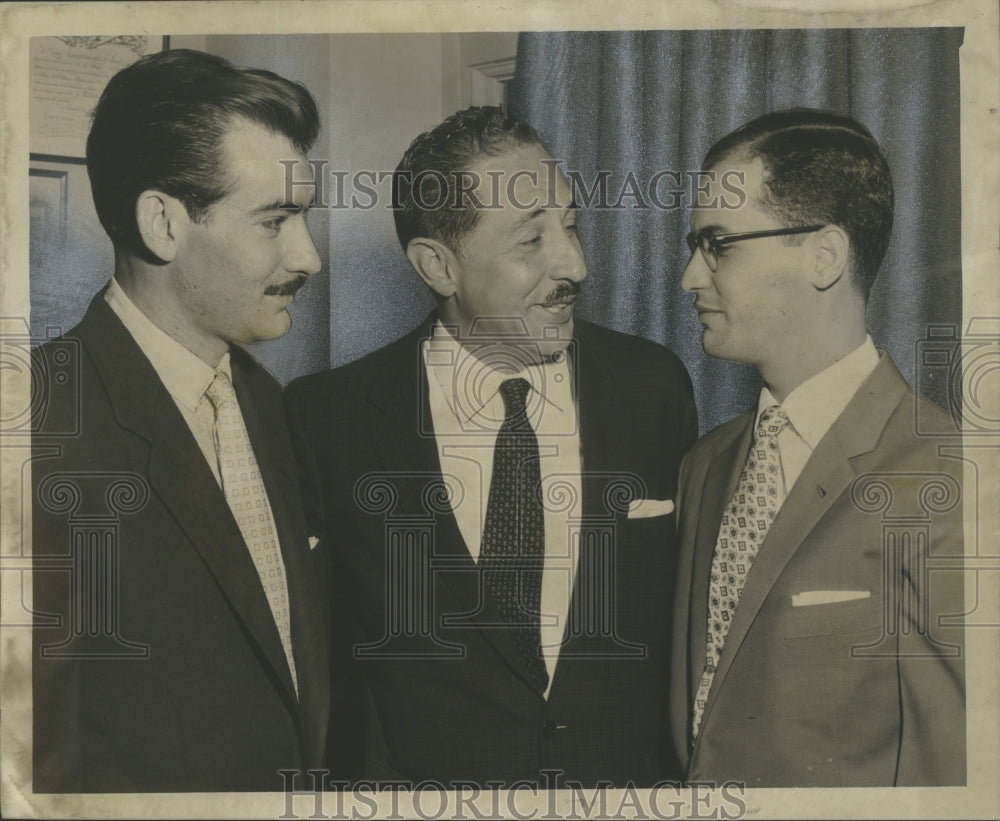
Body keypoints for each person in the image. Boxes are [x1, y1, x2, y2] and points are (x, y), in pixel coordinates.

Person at [286, 106, 698, 787]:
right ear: (439, 265)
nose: (576, 264)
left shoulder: (653, 387)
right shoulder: (327, 418)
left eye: (569, 225)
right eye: (530, 241)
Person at [31, 49, 329, 792]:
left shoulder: (269, 404)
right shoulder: (32, 427)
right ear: (163, 223)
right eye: (275, 220)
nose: (310, 256)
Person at [670, 108, 965, 787]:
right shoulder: (703, 466)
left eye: (718, 244)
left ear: (824, 255)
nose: (690, 276)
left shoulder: (948, 476)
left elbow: (953, 774)